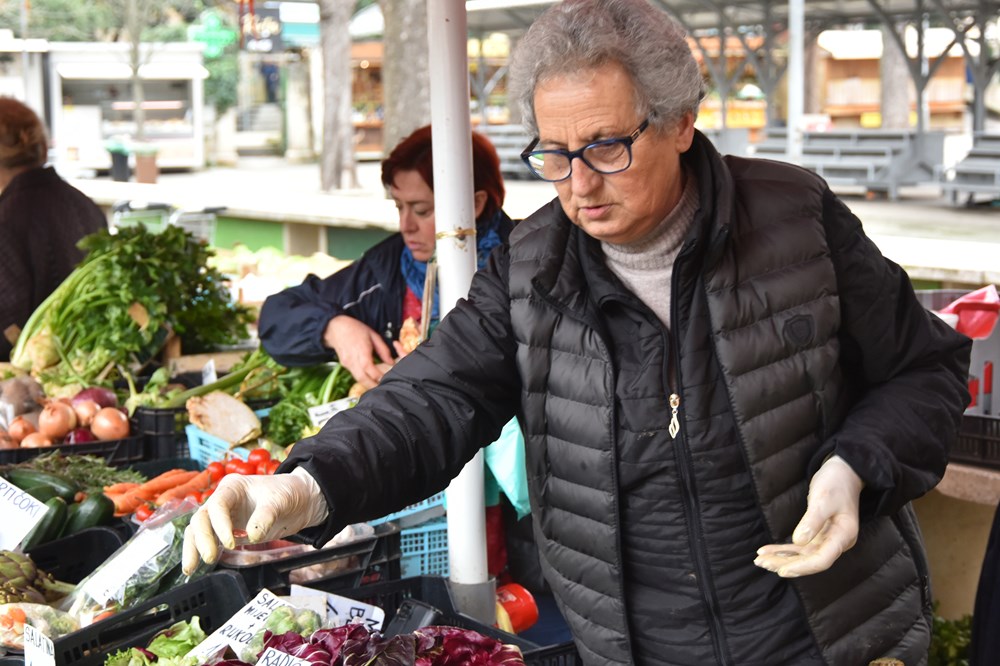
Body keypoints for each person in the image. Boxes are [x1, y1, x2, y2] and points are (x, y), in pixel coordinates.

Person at [184, 1, 971, 664]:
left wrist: (856, 467)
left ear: (682, 123)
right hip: (635, 644)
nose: (579, 185)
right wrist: (306, 484)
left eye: (605, 147)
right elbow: (432, 396)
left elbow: (926, 370)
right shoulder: (532, 269)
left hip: (826, 632)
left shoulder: (797, 221)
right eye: (553, 156)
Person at [257, 125, 514, 390]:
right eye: (399, 207)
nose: (405, 225)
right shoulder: (387, 267)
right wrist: (332, 327)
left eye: (422, 211)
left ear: (475, 204)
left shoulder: (523, 268)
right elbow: (277, 317)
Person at [0, 98, 106, 361]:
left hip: (29, 379)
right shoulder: (84, 204)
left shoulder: (6, 217)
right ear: (43, 148)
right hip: (86, 365)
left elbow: (8, 325)